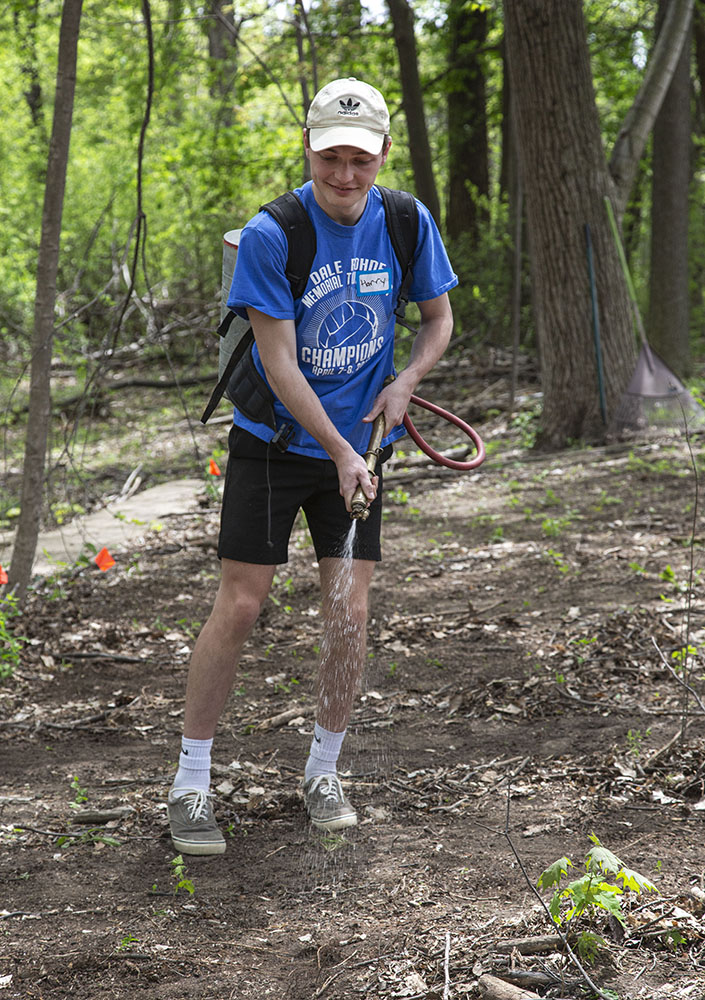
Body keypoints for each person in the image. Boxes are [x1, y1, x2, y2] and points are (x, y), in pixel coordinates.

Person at [167, 77, 457, 855]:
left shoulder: (405, 221)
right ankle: (191, 782)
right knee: (240, 605)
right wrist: (333, 450)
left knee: (349, 613)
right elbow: (280, 359)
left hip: (363, 447)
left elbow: (438, 319)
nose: (345, 174)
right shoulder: (272, 235)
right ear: (309, 148)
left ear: (382, 155)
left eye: (359, 159)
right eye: (330, 156)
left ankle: (323, 771)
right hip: (274, 445)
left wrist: (404, 382)